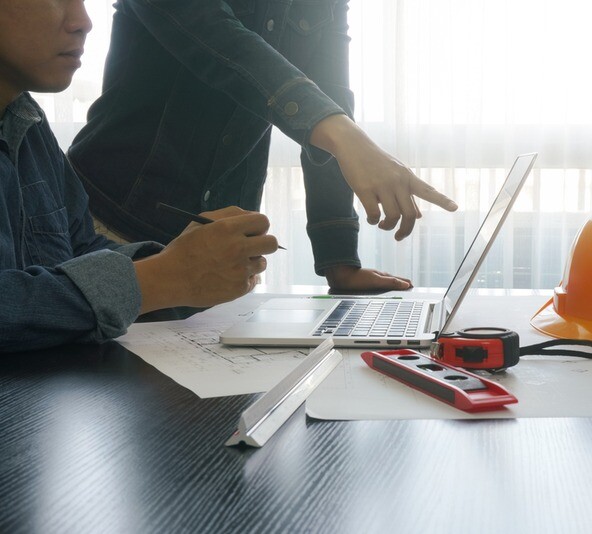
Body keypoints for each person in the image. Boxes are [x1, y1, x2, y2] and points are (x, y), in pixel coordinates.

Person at [67, 0, 458, 293]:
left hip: (223, 243)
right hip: (110, 227)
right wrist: (346, 136)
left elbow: (330, 99)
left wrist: (340, 262)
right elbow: (223, 45)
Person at [0, 0, 279, 352]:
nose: (83, 22)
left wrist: (186, 264)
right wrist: (165, 278)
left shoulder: (26, 121)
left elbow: (78, 250)